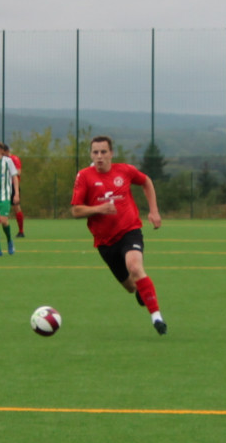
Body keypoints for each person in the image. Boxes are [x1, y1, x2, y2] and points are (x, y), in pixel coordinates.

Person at [71, 135, 167, 335]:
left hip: (130, 231)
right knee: (131, 287)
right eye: (95, 152)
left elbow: (146, 181)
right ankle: (142, 290)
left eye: (103, 152)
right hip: (105, 243)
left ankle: (157, 317)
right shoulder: (84, 176)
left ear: (111, 154)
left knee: (135, 267)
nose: (99, 156)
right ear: (91, 154)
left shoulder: (125, 170)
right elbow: (76, 211)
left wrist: (154, 211)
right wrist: (99, 209)